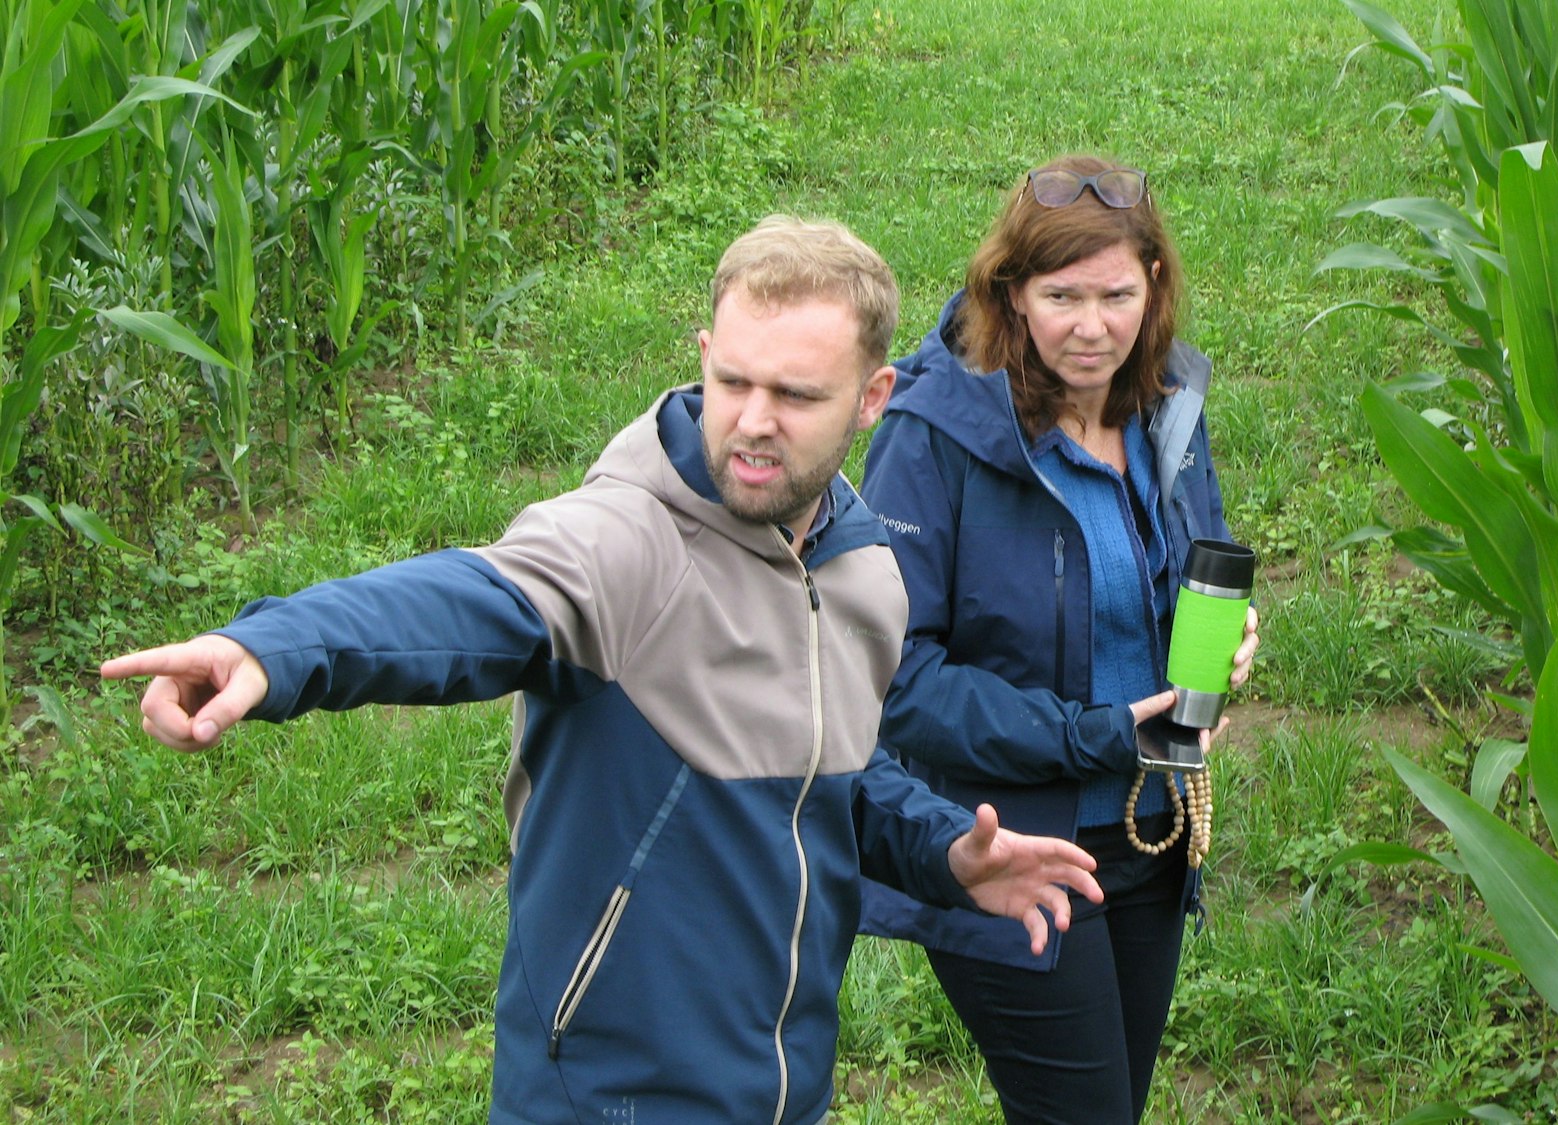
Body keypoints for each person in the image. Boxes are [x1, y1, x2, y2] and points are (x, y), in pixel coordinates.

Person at [99, 215, 1105, 1125]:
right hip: (606, 1100)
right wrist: (275, 649)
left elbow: (823, 770)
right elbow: (473, 599)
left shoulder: (860, 569)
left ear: (872, 400)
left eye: (796, 395)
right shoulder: (624, 543)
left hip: (780, 1088)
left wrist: (942, 851)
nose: (754, 420)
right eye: (734, 382)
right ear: (703, 358)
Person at [856, 156, 1259, 1124]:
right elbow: (892, 677)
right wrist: (1094, 734)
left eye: (1117, 295)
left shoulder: (1164, 406)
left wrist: (1222, 639)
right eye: (1061, 296)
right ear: (1010, 294)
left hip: (1146, 830)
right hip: (1009, 846)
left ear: (1154, 282)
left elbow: (1186, 561)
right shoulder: (933, 436)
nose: (1092, 327)